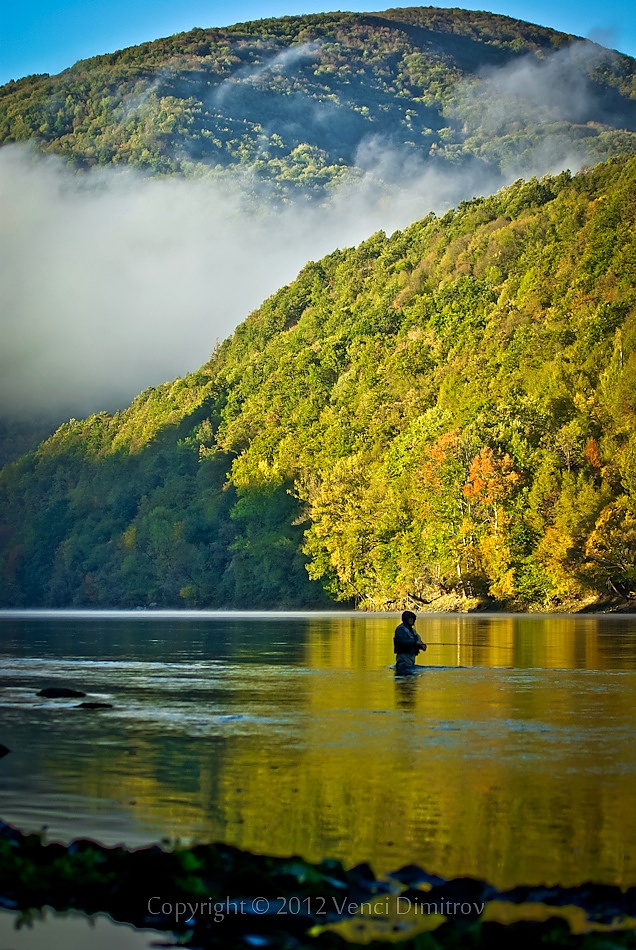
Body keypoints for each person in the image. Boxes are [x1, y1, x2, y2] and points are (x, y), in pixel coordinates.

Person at [393, 610, 427, 675]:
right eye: (410, 619)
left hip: (411, 657)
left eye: (413, 619)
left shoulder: (413, 631)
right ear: (405, 619)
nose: (412, 620)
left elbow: (417, 640)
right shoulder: (400, 629)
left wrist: (422, 646)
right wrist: (415, 643)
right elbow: (401, 642)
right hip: (403, 657)